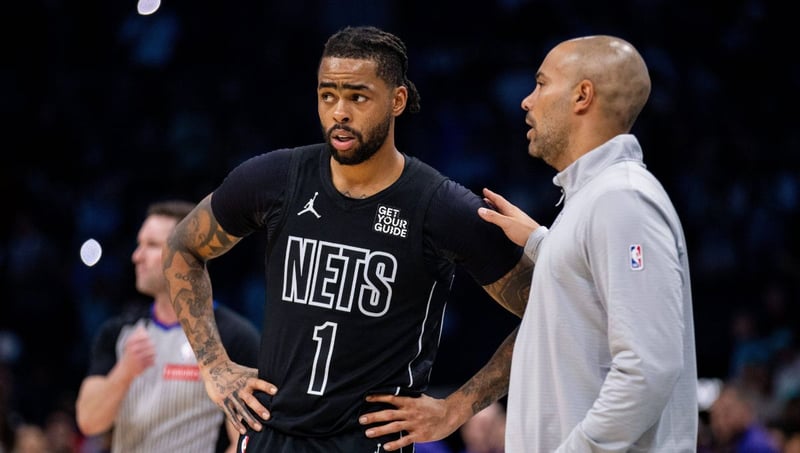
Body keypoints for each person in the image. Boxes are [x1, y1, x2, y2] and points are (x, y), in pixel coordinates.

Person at [162, 25, 532, 453]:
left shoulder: (440, 206)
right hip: (271, 436)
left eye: (357, 97)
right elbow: (182, 247)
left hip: (368, 443)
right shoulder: (275, 178)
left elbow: (547, 306)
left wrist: (457, 408)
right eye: (327, 95)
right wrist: (213, 365)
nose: (339, 112)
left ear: (397, 100)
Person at [477, 35, 698, 451]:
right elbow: (588, 297)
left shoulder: (623, 199)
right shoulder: (598, 199)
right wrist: (543, 243)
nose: (526, 101)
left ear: (582, 95)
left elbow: (649, 368)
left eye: (541, 84)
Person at [75, 200, 260, 453]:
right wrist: (124, 373)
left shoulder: (235, 336)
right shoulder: (118, 332)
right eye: (139, 244)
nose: (136, 256)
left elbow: (246, 440)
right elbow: (88, 422)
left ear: (188, 252)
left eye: (151, 245)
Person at [708, 382, 780, 452]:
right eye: (716, 415)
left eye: (727, 413)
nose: (720, 422)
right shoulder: (728, 442)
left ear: (745, 410)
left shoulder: (757, 446)